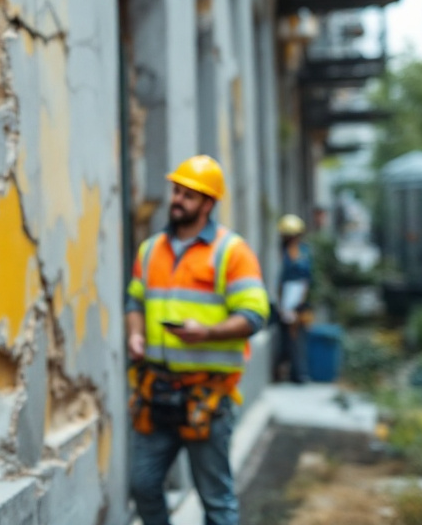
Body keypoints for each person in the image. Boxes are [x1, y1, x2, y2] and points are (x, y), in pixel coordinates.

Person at [125, 155, 270, 525]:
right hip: (155, 390)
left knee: (216, 501)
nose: (177, 200)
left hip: (207, 396)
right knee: (142, 486)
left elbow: (255, 315)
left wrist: (207, 333)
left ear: (208, 204)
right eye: (177, 191)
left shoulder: (232, 252)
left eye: (189, 195)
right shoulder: (151, 249)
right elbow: (135, 300)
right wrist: (135, 334)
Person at [275, 214, 313, 384]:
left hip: (296, 299)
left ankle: (299, 374)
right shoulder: (285, 253)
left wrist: (296, 304)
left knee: (297, 337)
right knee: (288, 338)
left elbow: (304, 281)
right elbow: (282, 282)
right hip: (288, 300)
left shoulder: (302, 253)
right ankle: (292, 372)